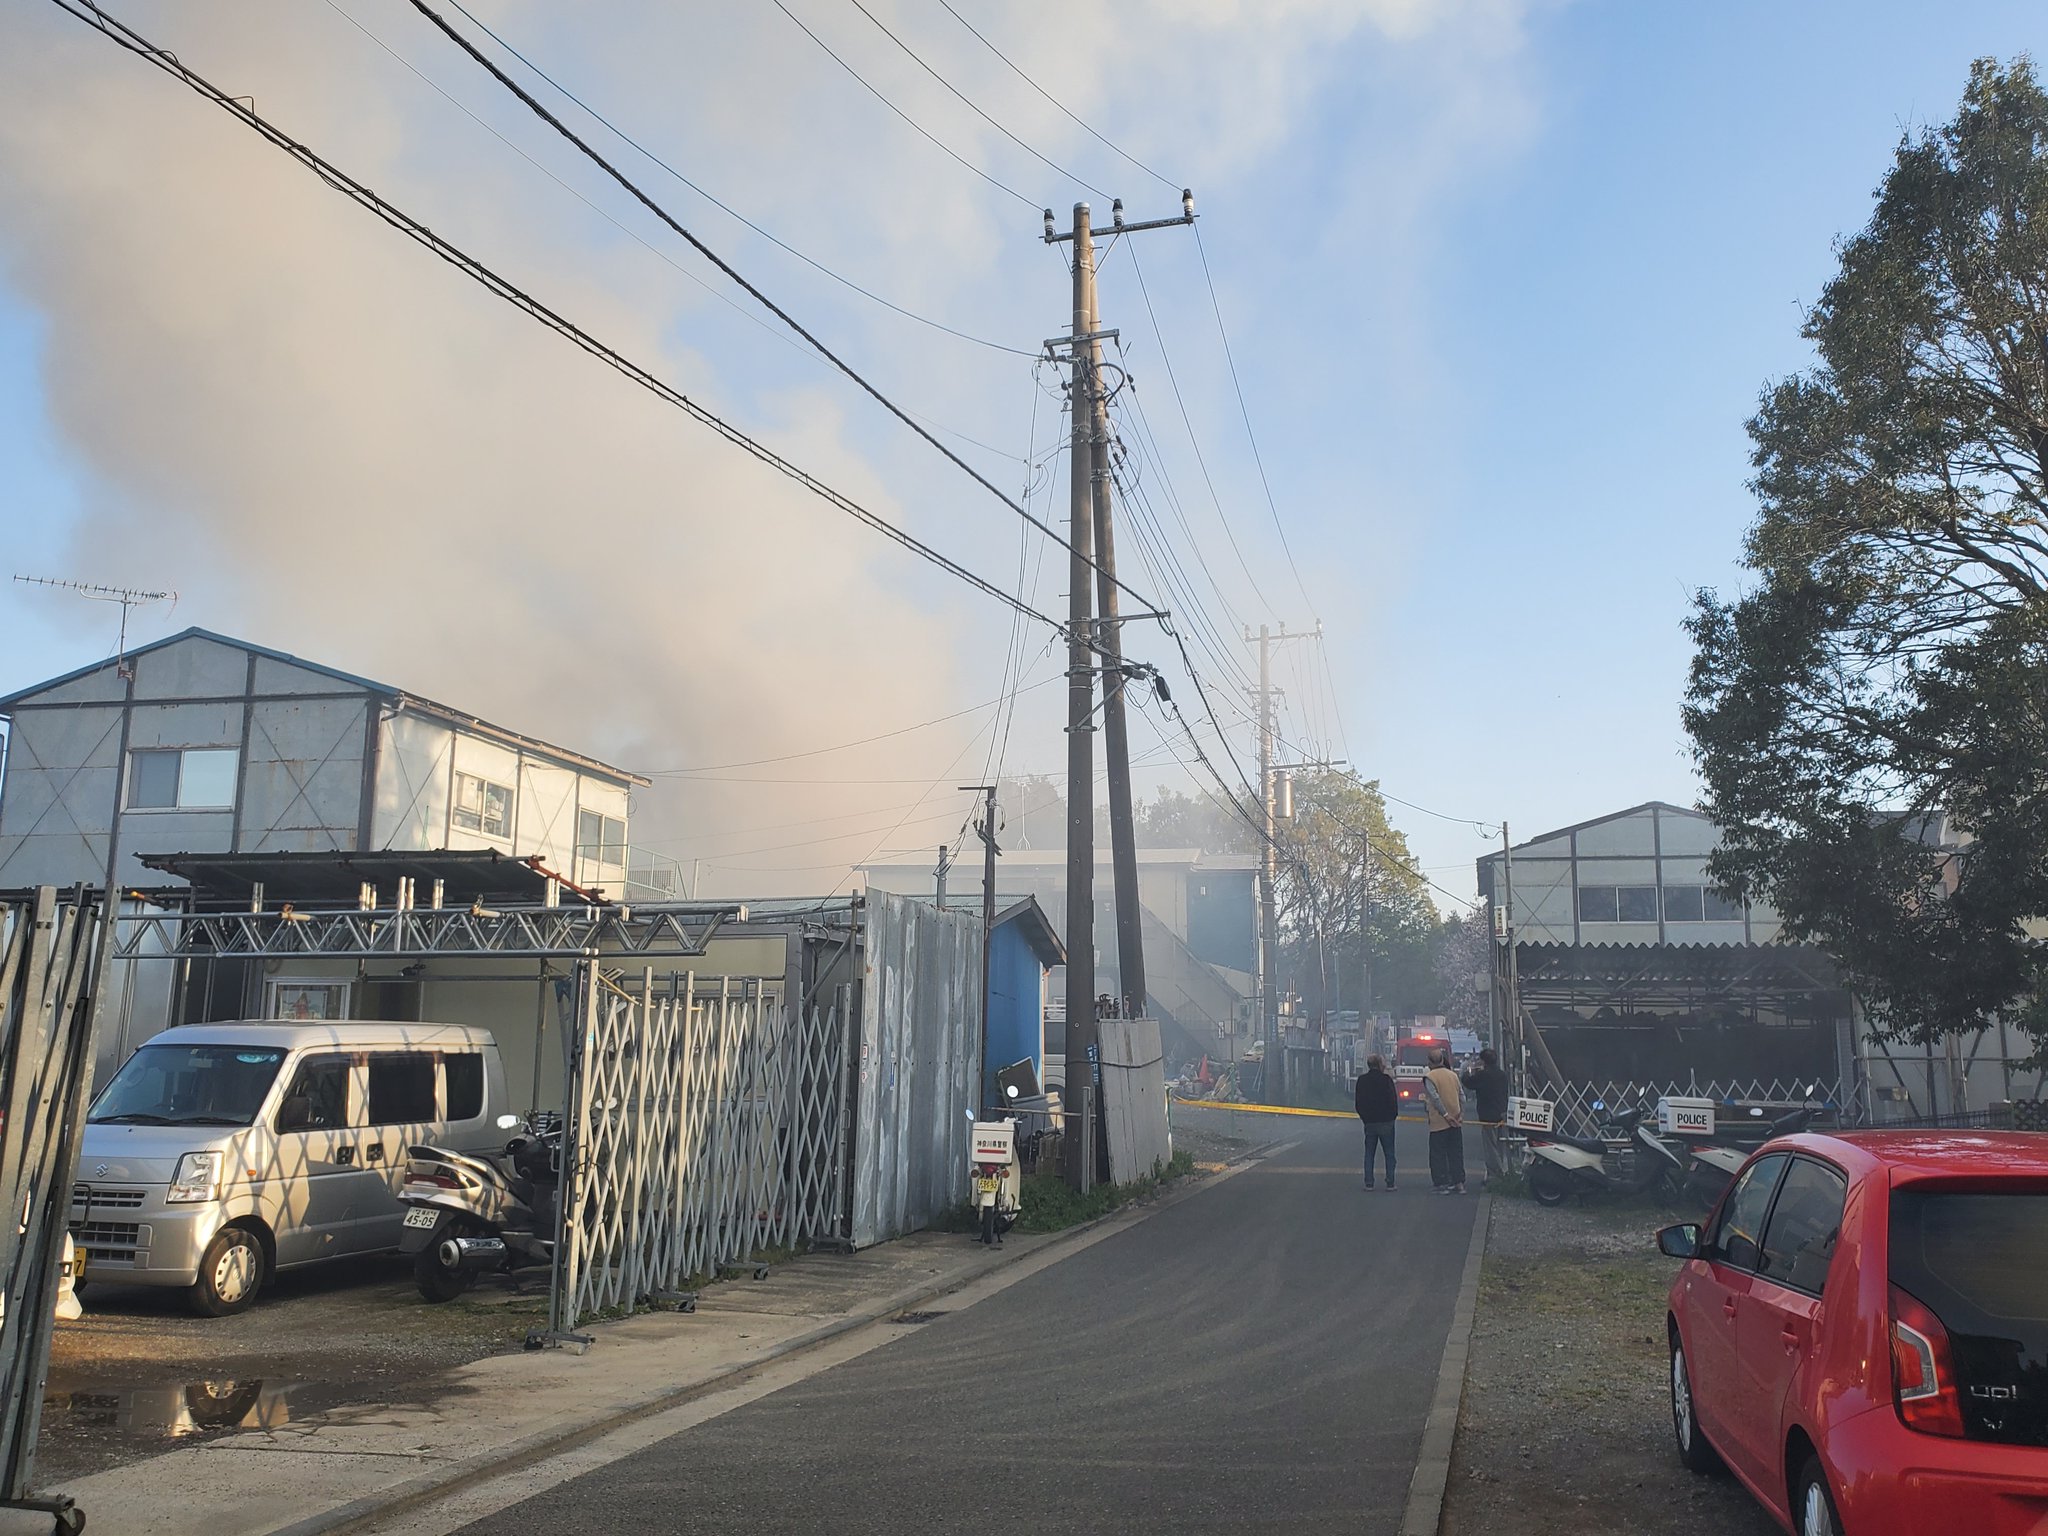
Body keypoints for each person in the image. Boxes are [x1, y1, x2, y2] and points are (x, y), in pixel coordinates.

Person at [1462, 1047, 1511, 1185]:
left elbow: (1467, 1082)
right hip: (1502, 1112)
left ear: (1483, 1061)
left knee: (1490, 1146)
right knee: (1501, 1144)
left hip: (1487, 1114)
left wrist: (1469, 1070)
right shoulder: (1502, 1074)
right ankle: (1500, 1171)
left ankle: (1497, 1175)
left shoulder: (1483, 1075)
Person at [1422, 1049, 1466, 1194]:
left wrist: (1446, 1115)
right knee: (1456, 1153)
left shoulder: (1429, 1077)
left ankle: (1441, 1184)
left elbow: (1435, 1098)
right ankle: (1458, 1183)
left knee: (1438, 1153)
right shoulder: (1453, 1075)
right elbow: (1462, 1096)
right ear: (1442, 1060)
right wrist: (1459, 1115)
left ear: (1429, 1062)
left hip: (1439, 1122)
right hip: (1456, 1121)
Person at [1354, 1054, 1399, 1191]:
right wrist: (1392, 1117)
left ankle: (1369, 1182)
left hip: (1370, 1122)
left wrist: (1365, 1118)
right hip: (1386, 1122)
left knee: (1369, 1153)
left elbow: (1358, 1103)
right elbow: (1393, 1100)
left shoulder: (1362, 1080)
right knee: (1389, 1153)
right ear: (1380, 1065)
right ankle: (1390, 1182)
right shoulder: (1386, 1080)